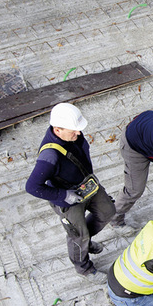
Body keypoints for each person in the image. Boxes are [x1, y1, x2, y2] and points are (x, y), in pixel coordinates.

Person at [26, 103, 114, 277]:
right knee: (77, 236)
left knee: (107, 212)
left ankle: (85, 242)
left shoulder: (72, 136)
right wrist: (63, 195)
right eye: (74, 130)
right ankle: (84, 268)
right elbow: (32, 186)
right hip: (67, 199)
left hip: (86, 186)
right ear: (57, 130)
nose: (79, 133)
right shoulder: (50, 156)